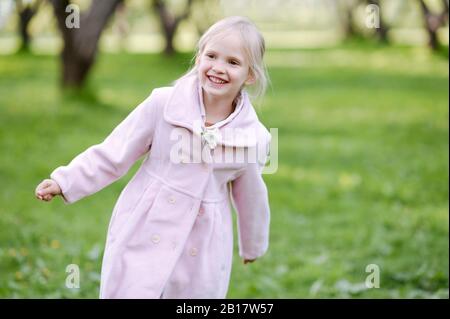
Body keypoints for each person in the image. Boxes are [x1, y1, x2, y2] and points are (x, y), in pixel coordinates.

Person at [35, 16, 272, 299]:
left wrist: (252, 244)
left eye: (233, 62)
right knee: (132, 288)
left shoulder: (251, 137)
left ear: (250, 75)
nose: (218, 68)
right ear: (198, 59)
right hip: (147, 221)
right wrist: (66, 180)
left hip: (203, 237)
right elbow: (115, 151)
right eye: (211, 56)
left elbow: (251, 194)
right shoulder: (164, 105)